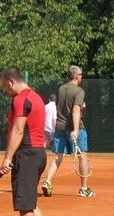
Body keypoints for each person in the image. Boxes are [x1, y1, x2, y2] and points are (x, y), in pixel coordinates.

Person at [0, 67, 62, 216]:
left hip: (26, 154)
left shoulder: (20, 99)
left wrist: (7, 158)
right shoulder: (35, 97)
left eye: (4, 86)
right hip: (37, 153)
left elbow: (18, 130)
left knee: (24, 206)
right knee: (28, 201)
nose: (5, 90)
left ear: (10, 82)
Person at [41, 65, 95, 197]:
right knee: (82, 156)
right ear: (76, 76)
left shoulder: (61, 89)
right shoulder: (79, 91)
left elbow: (63, 106)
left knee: (59, 156)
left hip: (60, 128)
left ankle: (47, 181)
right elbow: (75, 110)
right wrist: (76, 130)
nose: (81, 77)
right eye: (81, 74)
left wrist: (80, 106)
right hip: (75, 128)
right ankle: (83, 188)